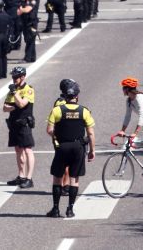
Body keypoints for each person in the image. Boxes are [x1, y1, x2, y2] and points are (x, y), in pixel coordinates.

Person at [45, 80, 95, 218]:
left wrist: (59, 135)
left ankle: (55, 209)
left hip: (62, 147)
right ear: (77, 97)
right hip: (78, 147)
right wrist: (92, 150)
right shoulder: (84, 111)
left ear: (65, 97)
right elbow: (90, 133)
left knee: (57, 178)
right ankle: (70, 209)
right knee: (74, 179)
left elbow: (49, 130)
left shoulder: (57, 110)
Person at [3, 67, 36, 189]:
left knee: (27, 150)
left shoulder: (29, 90)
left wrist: (15, 95)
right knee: (18, 150)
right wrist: (13, 107)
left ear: (23, 77)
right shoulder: (12, 90)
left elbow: (22, 104)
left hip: (24, 124)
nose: (14, 79)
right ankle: (21, 176)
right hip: (14, 124)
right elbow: (5, 107)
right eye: (13, 77)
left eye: (16, 77)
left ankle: (29, 178)